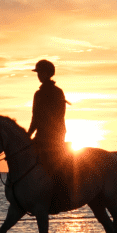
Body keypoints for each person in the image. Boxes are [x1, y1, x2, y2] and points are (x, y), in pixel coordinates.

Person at [27, 60, 71, 205]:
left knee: (54, 162)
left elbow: (59, 115)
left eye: (41, 72)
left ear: (48, 74)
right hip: (41, 135)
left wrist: (47, 130)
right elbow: (34, 117)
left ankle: (62, 191)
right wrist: (28, 135)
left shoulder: (58, 92)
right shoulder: (37, 94)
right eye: (38, 73)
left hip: (55, 134)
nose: (39, 75)